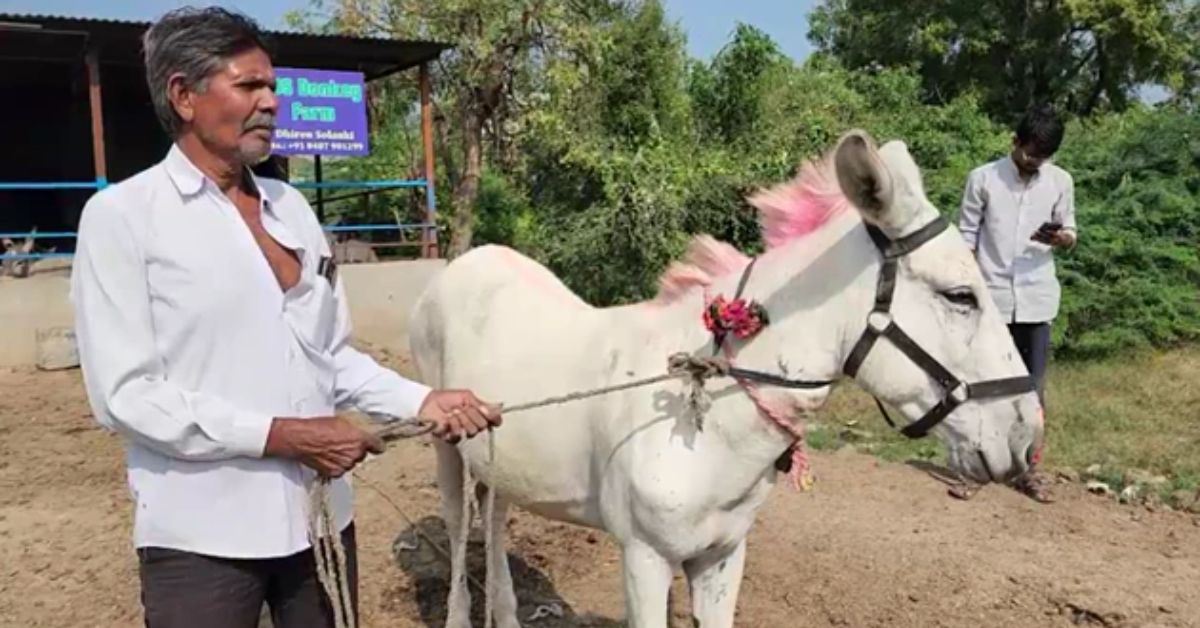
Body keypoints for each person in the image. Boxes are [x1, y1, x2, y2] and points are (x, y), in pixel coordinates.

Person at [69, 7, 501, 627]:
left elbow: (330, 355)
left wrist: (423, 400)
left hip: (320, 522)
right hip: (203, 539)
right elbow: (126, 396)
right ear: (183, 96)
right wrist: (285, 436)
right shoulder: (123, 218)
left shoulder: (291, 209)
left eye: (271, 87)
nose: (270, 102)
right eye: (249, 86)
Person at [957, 104, 1077, 504]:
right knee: (983, 389)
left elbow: (1070, 228)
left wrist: (1064, 238)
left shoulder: (1060, 181)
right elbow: (967, 238)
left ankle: (1029, 470)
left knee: (1032, 393)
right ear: (1015, 141)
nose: (1033, 162)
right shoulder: (983, 179)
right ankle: (974, 469)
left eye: (1042, 157)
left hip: (1037, 299)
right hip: (991, 301)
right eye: (1029, 154)